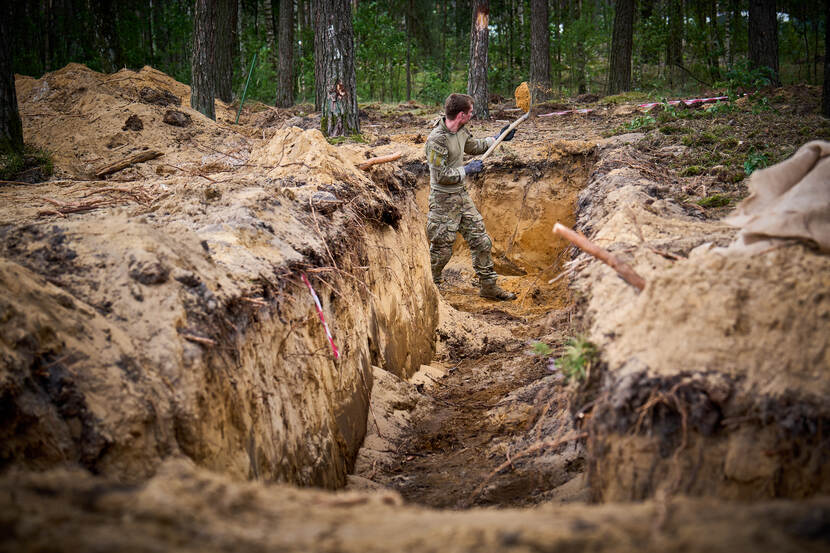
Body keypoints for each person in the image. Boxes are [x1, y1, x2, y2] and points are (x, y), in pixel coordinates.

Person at [424, 93, 517, 301]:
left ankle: (488, 286)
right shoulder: (435, 140)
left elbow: (473, 146)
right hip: (442, 201)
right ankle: (431, 287)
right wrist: (466, 170)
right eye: (471, 112)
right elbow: (440, 176)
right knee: (441, 250)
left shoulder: (461, 131)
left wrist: (497, 138)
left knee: (481, 240)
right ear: (461, 114)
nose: (473, 115)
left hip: (461, 196)